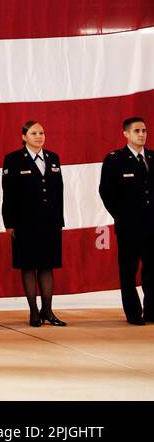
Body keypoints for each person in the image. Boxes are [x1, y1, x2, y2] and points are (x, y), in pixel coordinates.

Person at [0, 120, 66, 327]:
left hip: (50, 222)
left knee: (47, 266)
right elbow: (8, 194)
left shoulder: (53, 158)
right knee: (28, 266)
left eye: (42, 133)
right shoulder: (13, 159)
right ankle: (33, 312)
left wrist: (59, 220)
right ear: (24, 137)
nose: (39, 136)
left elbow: (59, 192)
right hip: (24, 223)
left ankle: (48, 310)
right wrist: (9, 223)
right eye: (34, 133)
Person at [98, 116, 151, 325]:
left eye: (144, 130)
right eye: (137, 131)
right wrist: (121, 215)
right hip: (129, 226)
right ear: (126, 134)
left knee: (152, 271)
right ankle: (133, 313)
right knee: (128, 271)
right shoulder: (115, 159)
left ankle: (152, 311)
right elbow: (106, 192)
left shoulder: (152, 157)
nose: (141, 134)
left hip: (152, 226)